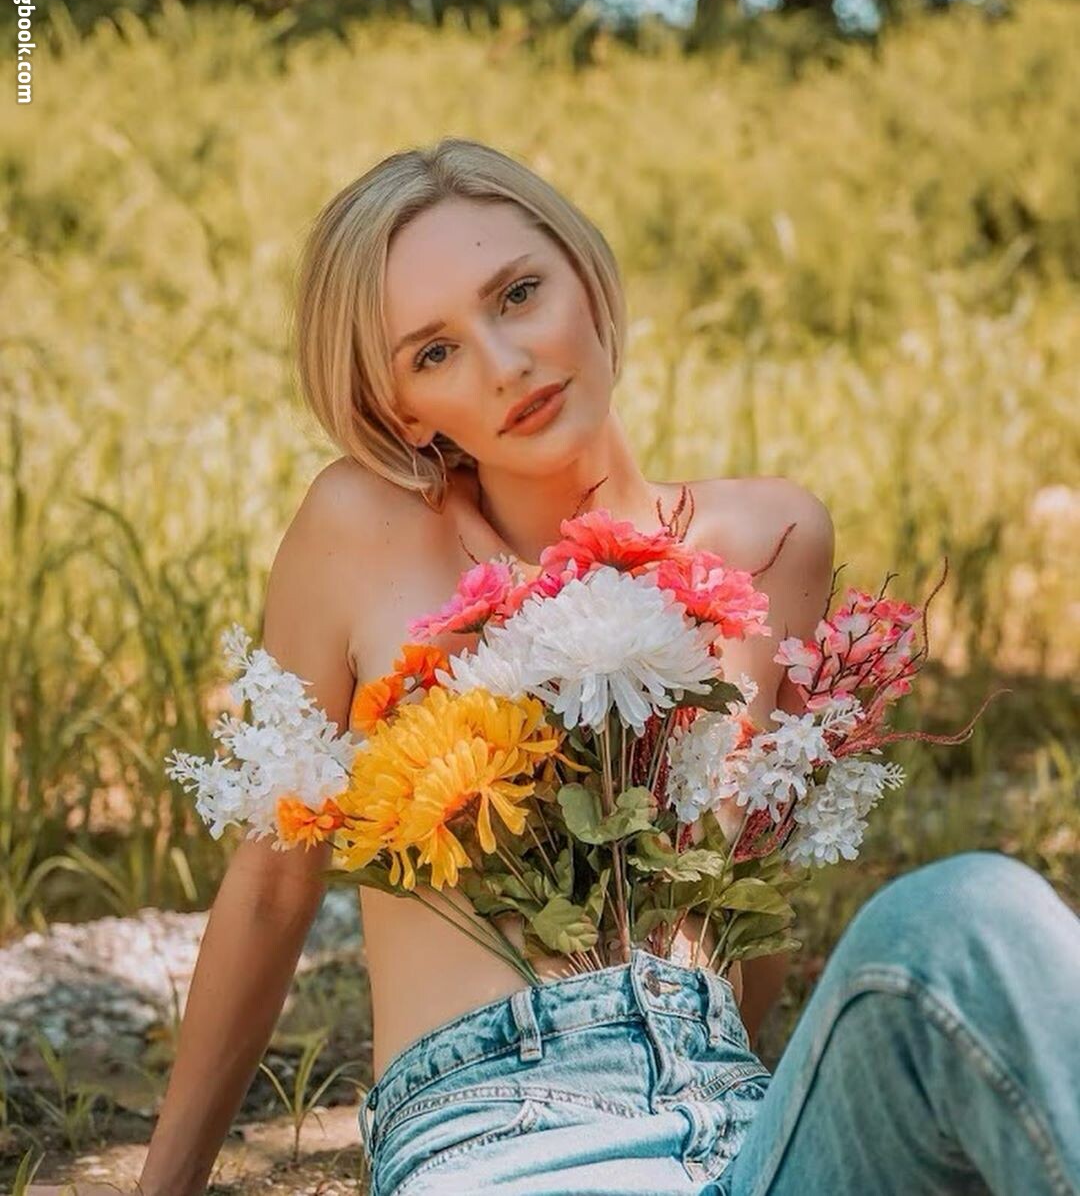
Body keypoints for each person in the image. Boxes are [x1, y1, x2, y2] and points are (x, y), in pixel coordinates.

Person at [34, 138, 1080, 1196]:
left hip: (735, 1131)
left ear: (585, 273)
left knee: (973, 913)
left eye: (519, 294)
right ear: (401, 408)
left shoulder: (774, 539)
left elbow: (750, 912)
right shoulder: (361, 532)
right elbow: (271, 887)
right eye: (433, 352)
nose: (504, 363)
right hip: (500, 1145)